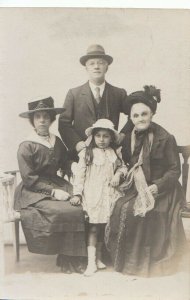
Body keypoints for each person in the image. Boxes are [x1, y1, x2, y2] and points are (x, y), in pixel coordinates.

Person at [105, 86, 187, 277]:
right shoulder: (128, 138)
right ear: (131, 118)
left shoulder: (165, 138)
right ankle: (125, 261)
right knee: (120, 206)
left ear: (152, 114)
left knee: (149, 211)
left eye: (144, 114)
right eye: (135, 116)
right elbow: (124, 162)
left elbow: (174, 170)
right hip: (137, 185)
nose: (140, 119)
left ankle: (147, 262)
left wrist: (156, 186)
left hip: (164, 188)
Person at [14, 97, 87, 274]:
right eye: (38, 117)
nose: (42, 120)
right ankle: (65, 258)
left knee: (81, 205)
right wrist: (53, 192)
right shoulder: (26, 145)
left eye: (46, 116)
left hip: (56, 183)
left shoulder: (56, 141)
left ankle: (73, 257)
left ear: (51, 119)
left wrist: (72, 166)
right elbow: (29, 178)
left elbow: (65, 161)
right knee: (65, 210)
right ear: (32, 121)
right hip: (34, 190)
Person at [70, 119, 128, 276]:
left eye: (106, 136)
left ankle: (99, 258)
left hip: (108, 194)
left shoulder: (113, 153)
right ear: (93, 137)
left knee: (104, 226)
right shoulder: (87, 153)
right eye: (98, 136)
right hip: (93, 194)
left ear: (111, 138)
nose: (102, 140)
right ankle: (91, 263)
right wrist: (77, 193)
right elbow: (80, 175)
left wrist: (118, 174)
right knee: (94, 227)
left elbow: (123, 166)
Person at [58, 44, 130, 160]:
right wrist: (76, 143)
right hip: (82, 155)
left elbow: (133, 115)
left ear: (107, 67)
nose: (96, 67)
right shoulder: (74, 94)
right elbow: (63, 123)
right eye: (92, 63)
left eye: (101, 63)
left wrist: (122, 134)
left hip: (111, 155)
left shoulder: (118, 93)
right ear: (86, 68)